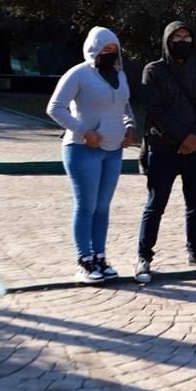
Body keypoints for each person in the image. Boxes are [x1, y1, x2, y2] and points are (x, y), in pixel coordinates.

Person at [135, 22, 196, 284]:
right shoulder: (153, 71)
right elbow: (154, 110)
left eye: (187, 37)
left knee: (195, 205)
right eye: (177, 37)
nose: (182, 41)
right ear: (167, 40)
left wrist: (195, 137)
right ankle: (143, 256)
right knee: (155, 205)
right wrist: (181, 138)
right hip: (163, 149)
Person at [48, 26, 135, 285]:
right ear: (93, 49)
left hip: (113, 149)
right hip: (82, 149)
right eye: (104, 49)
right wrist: (83, 131)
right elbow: (55, 107)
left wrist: (129, 124)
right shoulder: (79, 74)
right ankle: (84, 259)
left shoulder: (119, 74)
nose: (109, 53)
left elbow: (125, 104)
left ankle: (100, 256)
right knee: (86, 206)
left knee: (103, 207)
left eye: (113, 49)